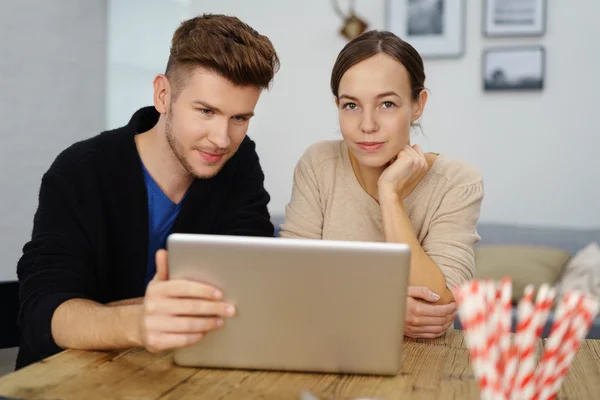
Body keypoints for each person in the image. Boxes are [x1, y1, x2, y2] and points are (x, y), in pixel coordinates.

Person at [16, 14, 280, 369]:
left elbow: (249, 287)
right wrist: (139, 321)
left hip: (180, 378)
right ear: (163, 95)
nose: (222, 139)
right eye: (205, 111)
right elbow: (41, 312)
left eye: (240, 118)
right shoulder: (81, 171)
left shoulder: (239, 163)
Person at [279, 30, 483, 339]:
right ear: (337, 105)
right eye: (351, 105)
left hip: (424, 367)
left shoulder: (458, 182)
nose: (367, 125)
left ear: (418, 104)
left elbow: (437, 304)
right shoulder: (318, 164)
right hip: (328, 347)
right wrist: (382, 309)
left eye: (387, 104)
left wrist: (390, 196)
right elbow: (289, 282)